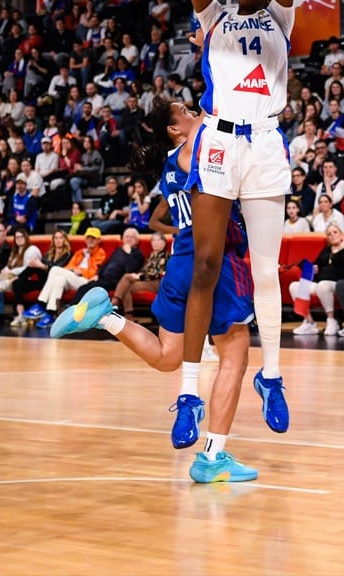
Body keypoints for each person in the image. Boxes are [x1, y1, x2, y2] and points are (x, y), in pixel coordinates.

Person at [50, 101, 260, 482]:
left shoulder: (171, 163)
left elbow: (161, 215)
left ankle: (107, 319)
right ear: (174, 130)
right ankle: (213, 456)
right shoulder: (205, 151)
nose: (192, 107)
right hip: (216, 263)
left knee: (168, 357)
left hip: (180, 262)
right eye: (183, 110)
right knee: (235, 357)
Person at [178, 0, 292, 436]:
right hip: (219, 140)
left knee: (268, 270)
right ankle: (189, 393)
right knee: (205, 264)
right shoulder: (214, 17)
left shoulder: (281, 16)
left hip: (267, 141)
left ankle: (271, 375)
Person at [290, 223, 344, 336]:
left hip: (338, 284)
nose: (332, 235)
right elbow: (317, 263)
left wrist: (340, 248)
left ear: (341, 234)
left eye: (335, 232)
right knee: (294, 286)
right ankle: (309, 322)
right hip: (320, 281)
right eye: (329, 234)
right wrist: (314, 268)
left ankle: (331, 320)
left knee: (323, 285)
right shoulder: (326, 250)